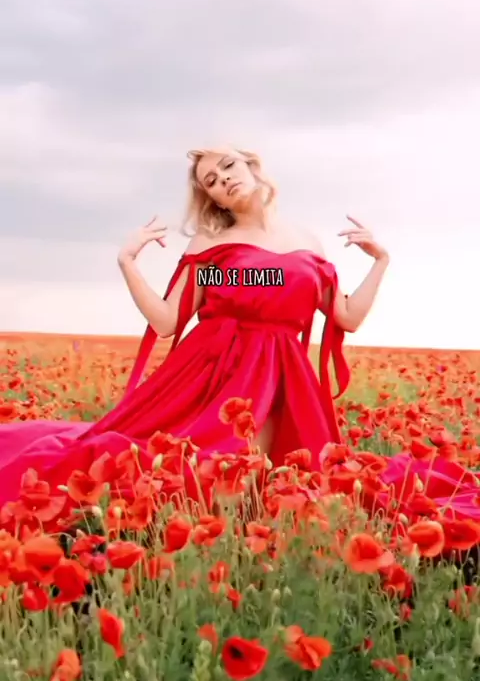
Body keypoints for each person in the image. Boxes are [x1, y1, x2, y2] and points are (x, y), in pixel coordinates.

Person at [0, 147, 478, 524]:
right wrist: (127, 263)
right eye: (211, 182)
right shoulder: (213, 243)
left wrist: (381, 261)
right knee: (207, 480)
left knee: (282, 487)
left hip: (284, 377)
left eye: (227, 166)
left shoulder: (307, 241)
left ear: (251, 166)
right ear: (216, 201)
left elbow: (347, 316)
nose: (223, 179)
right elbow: (168, 321)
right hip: (218, 377)